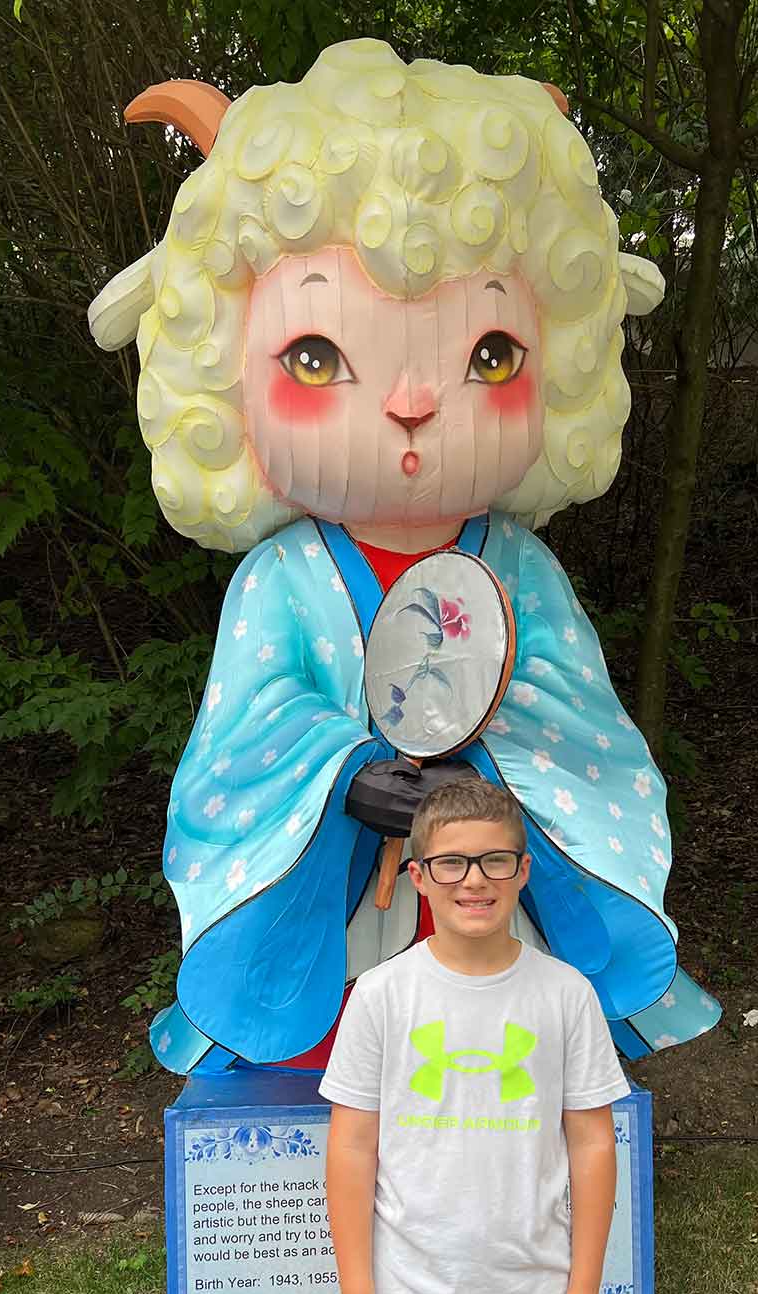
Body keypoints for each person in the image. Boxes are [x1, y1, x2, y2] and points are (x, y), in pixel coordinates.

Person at [88, 39, 720, 1083]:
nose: (413, 401)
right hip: (342, 894)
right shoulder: (285, 580)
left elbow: (575, 718)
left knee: (488, 1048)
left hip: (484, 881)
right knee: (344, 1061)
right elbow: (249, 732)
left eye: (489, 355)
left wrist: (489, 767)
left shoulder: (518, 568)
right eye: (316, 356)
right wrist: (344, 772)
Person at [320, 775, 630, 1294]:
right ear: (417, 877)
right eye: (452, 863)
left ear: (523, 871)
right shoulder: (382, 996)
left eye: (495, 861)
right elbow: (351, 1148)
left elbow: (592, 1142)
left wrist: (584, 1290)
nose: (474, 881)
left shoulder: (565, 996)